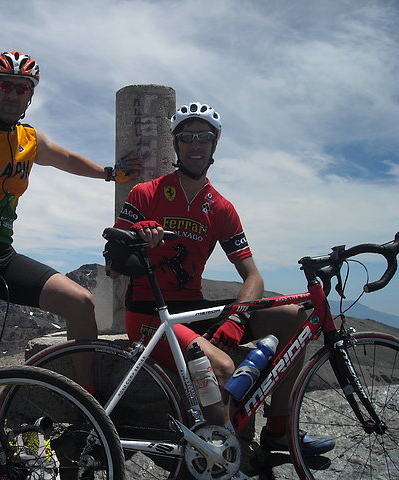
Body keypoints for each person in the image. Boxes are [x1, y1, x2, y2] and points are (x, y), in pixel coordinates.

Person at [0, 51, 139, 475]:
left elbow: (64, 159)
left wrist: (111, 173)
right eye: (5, 85)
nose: (13, 93)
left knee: (80, 304)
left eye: (22, 87)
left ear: (30, 95)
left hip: (1, 255)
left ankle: (89, 406)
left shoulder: (30, 139)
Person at [108, 102, 335, 455]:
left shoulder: (220, 207)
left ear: (214, 145)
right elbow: (112, 265)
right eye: (187, 137)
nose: (196, 145)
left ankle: (279, 433)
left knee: (294, 320)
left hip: (195, 310)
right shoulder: (146, 194)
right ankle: (216, 456)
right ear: (176, 145)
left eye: (204, 138)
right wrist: (136, 239)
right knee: (223, 367)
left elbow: (253, 277)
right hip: (151, 314)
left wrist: (236, 316)